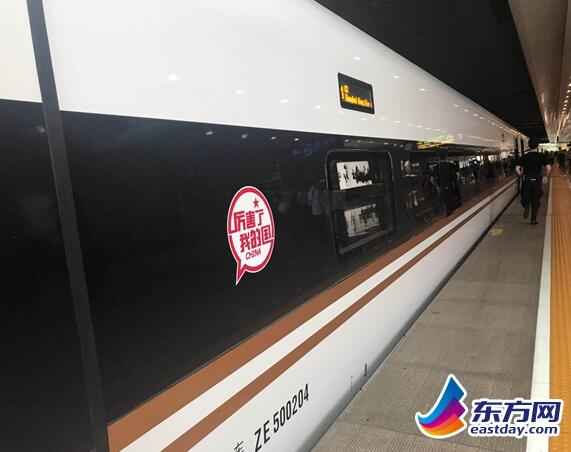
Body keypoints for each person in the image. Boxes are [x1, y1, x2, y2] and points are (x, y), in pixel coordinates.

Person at [515, 138, 551, 225]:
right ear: (537, 146)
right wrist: (545, 176)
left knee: (525, 196)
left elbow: (517, 168)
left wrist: (521, 176)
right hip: (537, 179)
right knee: (536, 200)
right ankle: (533, 220)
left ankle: (526, 204)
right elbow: (548, 167)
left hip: (526, 179)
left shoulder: (524, 156)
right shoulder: (541, 156)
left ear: (529, 146)